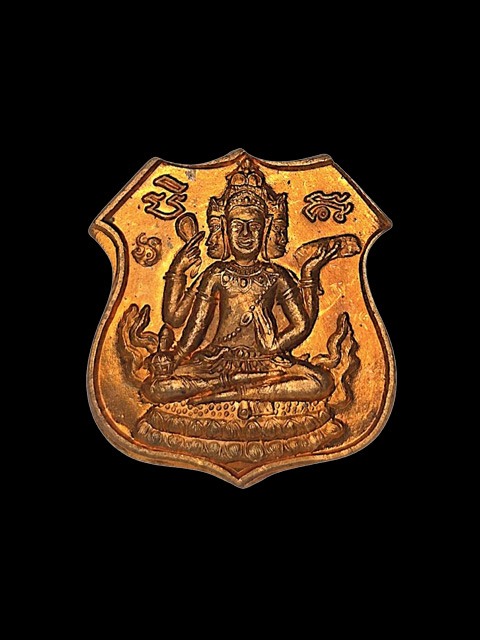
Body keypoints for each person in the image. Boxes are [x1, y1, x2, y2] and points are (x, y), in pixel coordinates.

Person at [142, 159, 338, 406]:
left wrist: (274, 345)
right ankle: (238, 387)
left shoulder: (276, 276)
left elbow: (302, 325)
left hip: (265, 362)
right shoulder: (216, 274)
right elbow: (195, 327)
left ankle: (235, 392)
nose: (245, 234)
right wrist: (176, 358)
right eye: (237, 226)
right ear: (225, 230)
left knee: (321, 382)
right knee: (156, 389)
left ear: (266, 230)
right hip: (217, 362)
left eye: (253, 226)